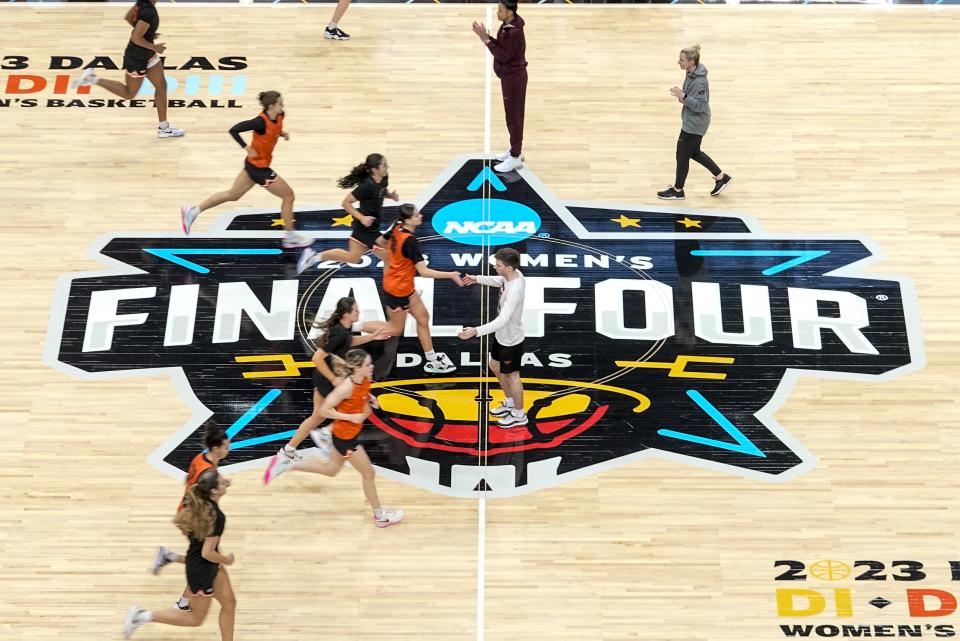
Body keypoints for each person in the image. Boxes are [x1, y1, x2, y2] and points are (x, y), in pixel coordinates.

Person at [263, 349, 405, 528]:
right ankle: (380, 516)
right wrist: (349, 417)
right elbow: (323, 411)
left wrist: (370, 397)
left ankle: (288, 465)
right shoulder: (345, 387)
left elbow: (362, 393)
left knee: (331, 470)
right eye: (368, 365)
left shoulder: (364, 379)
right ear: (356, 368)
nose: (372, 367)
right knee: (368, 473)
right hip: (345, 437)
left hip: (346, 434)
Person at [179, 91, 311, 248]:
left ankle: (193, 211)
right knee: (288, 196)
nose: (283, 106)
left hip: (253, 165)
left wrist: (281, 133)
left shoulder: (280, 115)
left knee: (232, 195)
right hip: (259, 168)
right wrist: (246, 147)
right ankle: (290, 236)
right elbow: (233, 130)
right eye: (280, 103)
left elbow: (272, 131)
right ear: (271, 106)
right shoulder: (259, 122)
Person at [274, 296, 391, 464]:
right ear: (346, 314)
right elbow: (317, 358)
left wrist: (372, 337)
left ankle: (288, 450)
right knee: (363, 409)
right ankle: (325, 433)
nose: (359, 313)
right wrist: (333, 379)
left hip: (325, 379)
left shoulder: (344, 329)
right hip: (327, 379)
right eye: (356, 310)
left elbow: (349, 342)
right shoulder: (339, 333)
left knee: (316, 418)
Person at [123, 469, 236, 640]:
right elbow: (207, 553)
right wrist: (226, 560)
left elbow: (183, 526)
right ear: (213, 490)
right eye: (221, 482)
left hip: (203, 564)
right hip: (203, 571)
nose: (225, 482)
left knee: (229, 603)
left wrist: (222, 484)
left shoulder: (200, 506)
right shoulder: (216, 516)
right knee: (195, 619)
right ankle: (142, 616)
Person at [71, 0, 184, 138]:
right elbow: (136, 37)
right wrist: (155, 47)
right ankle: (93, 79)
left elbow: (129, 17)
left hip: (147, 55)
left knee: (161, 85)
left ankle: (164, 127)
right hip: (137, 58)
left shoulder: (142, 3)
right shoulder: (149, 11)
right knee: (129, 93)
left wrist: (145, 33)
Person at [150, 427, 231, 611]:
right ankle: (169, 559)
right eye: (226, 446)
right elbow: (201, 493)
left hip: (188, 512)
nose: (229, 449)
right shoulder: (208, 471)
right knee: (209, 559)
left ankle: (183, 600)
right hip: (193, 518)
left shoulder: (201, 458)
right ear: (216, 447)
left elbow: (190, 479)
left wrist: (222, 481)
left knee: (204, 558)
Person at [458, 247, 528, 427]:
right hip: (501, 336)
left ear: (509, 268)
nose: (495, 267)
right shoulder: (512, 275)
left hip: (511, 338)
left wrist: (476, 331)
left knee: (513, 376)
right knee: (494, 365)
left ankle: (520, 415)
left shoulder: (515, 289)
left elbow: (502, 320)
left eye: (498, 265)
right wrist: (477, 279)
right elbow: (499, 280)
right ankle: (510, 403)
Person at [297, 154, 397, 272]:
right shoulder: (366, 187)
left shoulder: (384, 178)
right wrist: (362, 218)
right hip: (366, 229)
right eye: (384, 165)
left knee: (352, 258)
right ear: (375, 170)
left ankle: (313, 258)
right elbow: (346, 203)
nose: (387, 167)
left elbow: (381, 190)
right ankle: (390, 289)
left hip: (371, 226)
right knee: (388, 257)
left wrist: (390, 195)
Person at [657, 44, 732, 201]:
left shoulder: (699, 82)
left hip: (695, 123)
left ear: (691, 62)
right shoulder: (690, 72)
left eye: (682, 60)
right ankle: (721, 177)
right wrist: (684, 98)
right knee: (694, 152)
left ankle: (678, 190)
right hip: (691, 120)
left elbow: (701, 106)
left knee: (682, 155)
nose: (679, 62)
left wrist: (684, 97)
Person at [472, 2, 527, 173]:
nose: (497, 13)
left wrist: (486, 40)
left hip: (514, 80)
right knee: (511, 115)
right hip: (510, 77)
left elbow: (503, 55)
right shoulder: (508, 26)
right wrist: (488, 37)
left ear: (510, 12)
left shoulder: (514, 32)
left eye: (501, 11)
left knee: (514, 118)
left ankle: (516, 157)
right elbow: (504, 49)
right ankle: (513, 151)